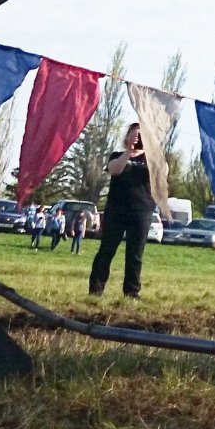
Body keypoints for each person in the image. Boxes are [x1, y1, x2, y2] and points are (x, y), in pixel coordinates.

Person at [89, 122, 155, 298]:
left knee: (135, 254)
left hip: (141, 211)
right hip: (116, 210)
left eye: (141, 136)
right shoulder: (117, 155)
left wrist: (150, 146)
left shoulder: (151, 158)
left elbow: (162, 171)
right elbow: (115, 170)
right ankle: (96, 289)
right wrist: (129, 151)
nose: (137, 138)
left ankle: (132, 291)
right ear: (127, 137)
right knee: (106, 250)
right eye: (134, 134)